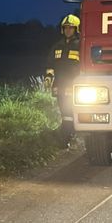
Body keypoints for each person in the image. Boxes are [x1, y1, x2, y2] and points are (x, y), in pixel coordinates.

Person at [44, 14, 81, 145]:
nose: (68, 30)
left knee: (71, 111)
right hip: (59, 84)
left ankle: (68, 135)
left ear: (76, 29)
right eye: (66, 28)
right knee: (64, 110)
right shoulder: (57, 46)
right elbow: (50, 64)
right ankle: (67, 133)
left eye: (71, 28)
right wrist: (49, 77)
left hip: (74, 85)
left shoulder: (81, 45)